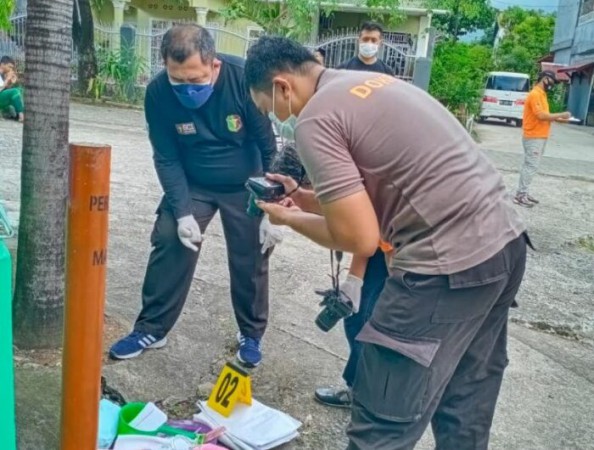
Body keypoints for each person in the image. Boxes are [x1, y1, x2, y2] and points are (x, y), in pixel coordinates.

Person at [245, 36, 529, 450]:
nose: (277, 116)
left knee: (383, 416)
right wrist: (302, 198)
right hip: (503, 244)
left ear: (282, 86)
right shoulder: (369, 85)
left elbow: (359, 236)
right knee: (465, 397)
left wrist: (288, 218)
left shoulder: (316, 119)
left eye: (268, 106)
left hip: (445, 265)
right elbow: (375, 203)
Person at [109, 25, 278, 368]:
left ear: (214, 65)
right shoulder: (158, 93)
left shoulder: (244, 80)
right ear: (166, 68)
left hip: (246, 183)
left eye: (196, 80)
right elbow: (166, 156)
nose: (187, 90)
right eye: (178, 81)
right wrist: (183, 212)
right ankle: (152, 328)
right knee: (171, 237)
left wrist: (272, 208)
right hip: (194, 182)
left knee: (252, 253)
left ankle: (251, 333)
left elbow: (270, 148)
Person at [313, 38, 397, 409]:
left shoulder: (383, 146)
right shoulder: (351, 141)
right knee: (356, 316)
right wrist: (354, 280)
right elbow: (362, 230)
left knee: (376, 325)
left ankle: (372, 398)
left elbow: (371, 225)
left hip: (412, 251)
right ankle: (357, 387)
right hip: (379, 241)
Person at [514, 70, 571, 208]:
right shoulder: (535, 94)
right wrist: (562, 114)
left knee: (532, 166)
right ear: (545, 79)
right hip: (533, 136)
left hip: (540, 136)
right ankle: (521, 195)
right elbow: (540, 115)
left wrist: (559, 119)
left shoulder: (542, 94)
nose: (552, 85)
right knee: (530, 165)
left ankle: (524, 192)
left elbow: (546, 115)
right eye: (552, 82)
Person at [0, 56, 25, 122]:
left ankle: (18, 113)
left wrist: (11, 82)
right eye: (9, 67)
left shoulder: (3, 75)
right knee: (15, 91)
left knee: (19, 90)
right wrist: (8, 78)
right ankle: (21, 116)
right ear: (2, 65)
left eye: (12, 68)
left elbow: (4, 89)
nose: (10, 69)